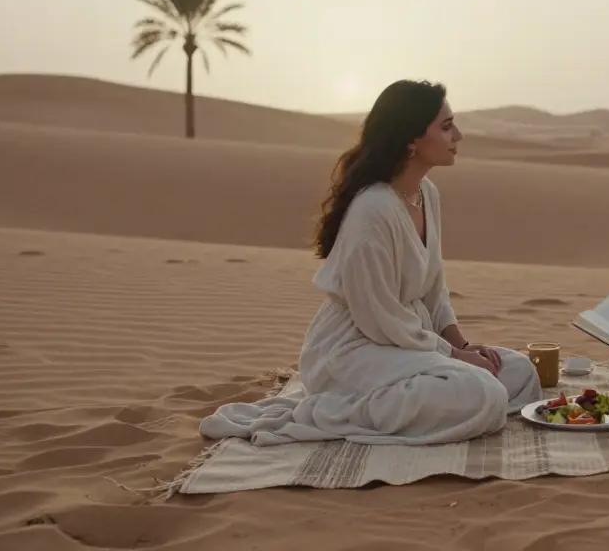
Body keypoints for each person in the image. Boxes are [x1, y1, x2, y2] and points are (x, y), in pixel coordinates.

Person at [199, 79, 543, 446]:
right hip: (358, 348)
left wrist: (464, 346)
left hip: (411, 339)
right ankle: (333, 409)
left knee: (520, 372)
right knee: (483, 394)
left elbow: (434, 286)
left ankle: (441, 399)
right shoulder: (373, 210)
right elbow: (378, 317)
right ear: (411, 139)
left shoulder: (427, 194)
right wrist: (452, 356)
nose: (458, 134)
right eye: (446, 127)